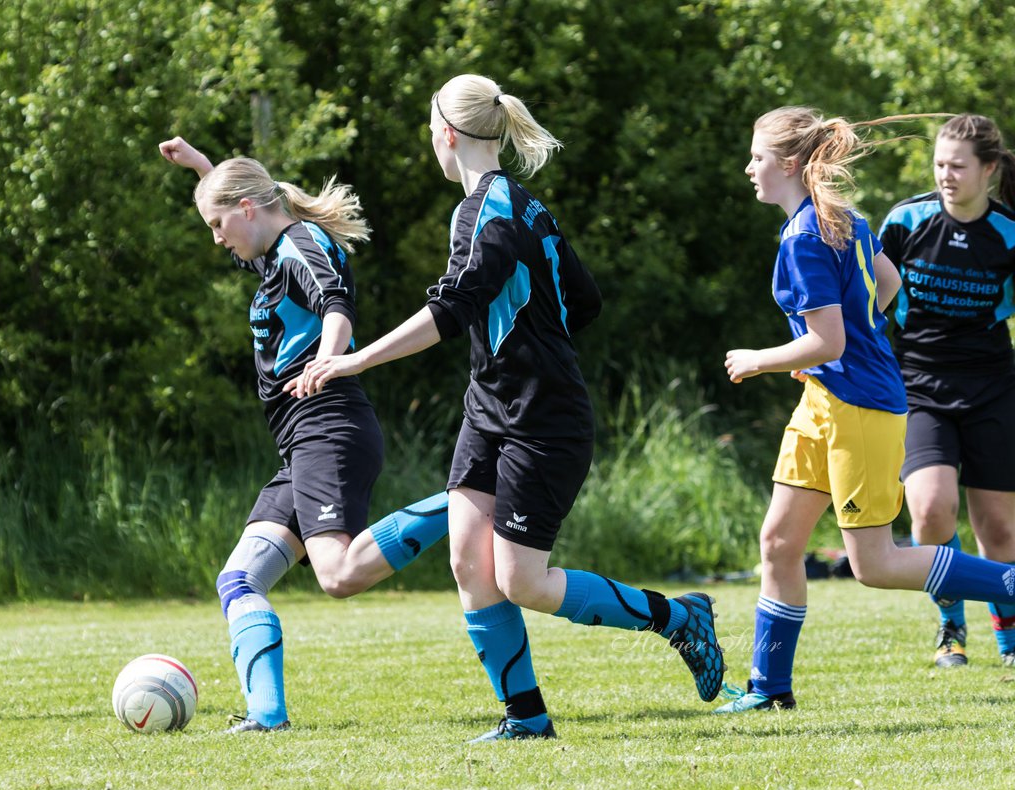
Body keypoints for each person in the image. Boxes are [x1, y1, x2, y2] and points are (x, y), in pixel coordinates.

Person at [290, 74, 725, 743]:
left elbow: (451, 309)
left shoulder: (485, 212)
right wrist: (526, 339)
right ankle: (526, 717)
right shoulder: (526, 207)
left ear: (446, 134)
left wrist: (354, 359)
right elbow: (585, 302)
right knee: (470, 560)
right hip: (492, 407)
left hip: (542, 419)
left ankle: (678, 618)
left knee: (521, 579)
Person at [717, 106, 1015, 713]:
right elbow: (888, 286)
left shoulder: (806, 235)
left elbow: (829, 341)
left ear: (791, 165)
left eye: (758, 158)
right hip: (825, 399)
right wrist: (845, 341)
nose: (749, 169)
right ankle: (769, 690)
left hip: (860, 407)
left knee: (874, 564)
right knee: (777, 541)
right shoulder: (840, 218)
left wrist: (759, 357)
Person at [159, 138, 450, 734]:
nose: (217, 239)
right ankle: (267, 716)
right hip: (303, 440)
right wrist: (203, 170)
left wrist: (329, 357)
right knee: (238, 580)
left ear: (245, 208)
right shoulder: (273, 248)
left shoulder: (299, 246)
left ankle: (466, 499)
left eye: (217, 224)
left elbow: (335, 303)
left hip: (328, 424)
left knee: (338, 575)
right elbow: (241, 213)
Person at [878, 114, 1015, 668]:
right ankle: (950, 628)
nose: (946, 175)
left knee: (999, 528)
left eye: (958, 166)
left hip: (992, 386)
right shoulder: (906, 221)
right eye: (938, 164)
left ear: (988, 169)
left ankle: (1009, 641)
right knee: (931, 511)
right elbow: (865, 298)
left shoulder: (1008, 233)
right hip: (919, 385)